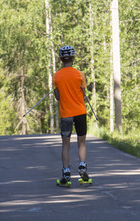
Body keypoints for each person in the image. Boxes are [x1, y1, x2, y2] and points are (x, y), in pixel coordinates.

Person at [53, 45, 89, 185]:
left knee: (66, 144)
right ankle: (82, 167)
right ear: (73, 58)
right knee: (81, 142)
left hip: (66, 114)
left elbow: (58, 97)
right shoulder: (80, 74)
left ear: (61, 59)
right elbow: (84, 96)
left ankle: (66, 173)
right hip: (80, 112)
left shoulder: (56, 76)